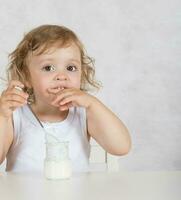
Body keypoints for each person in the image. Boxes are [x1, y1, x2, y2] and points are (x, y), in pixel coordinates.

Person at [0, 24, 131, 172]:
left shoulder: (83, 113)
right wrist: (2, 115)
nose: (62, 76)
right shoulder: (15, 115)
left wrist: (92, 104)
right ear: (27, 76)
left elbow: (121, 147)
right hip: (23, 195)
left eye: (71, 68)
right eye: (48, 67)